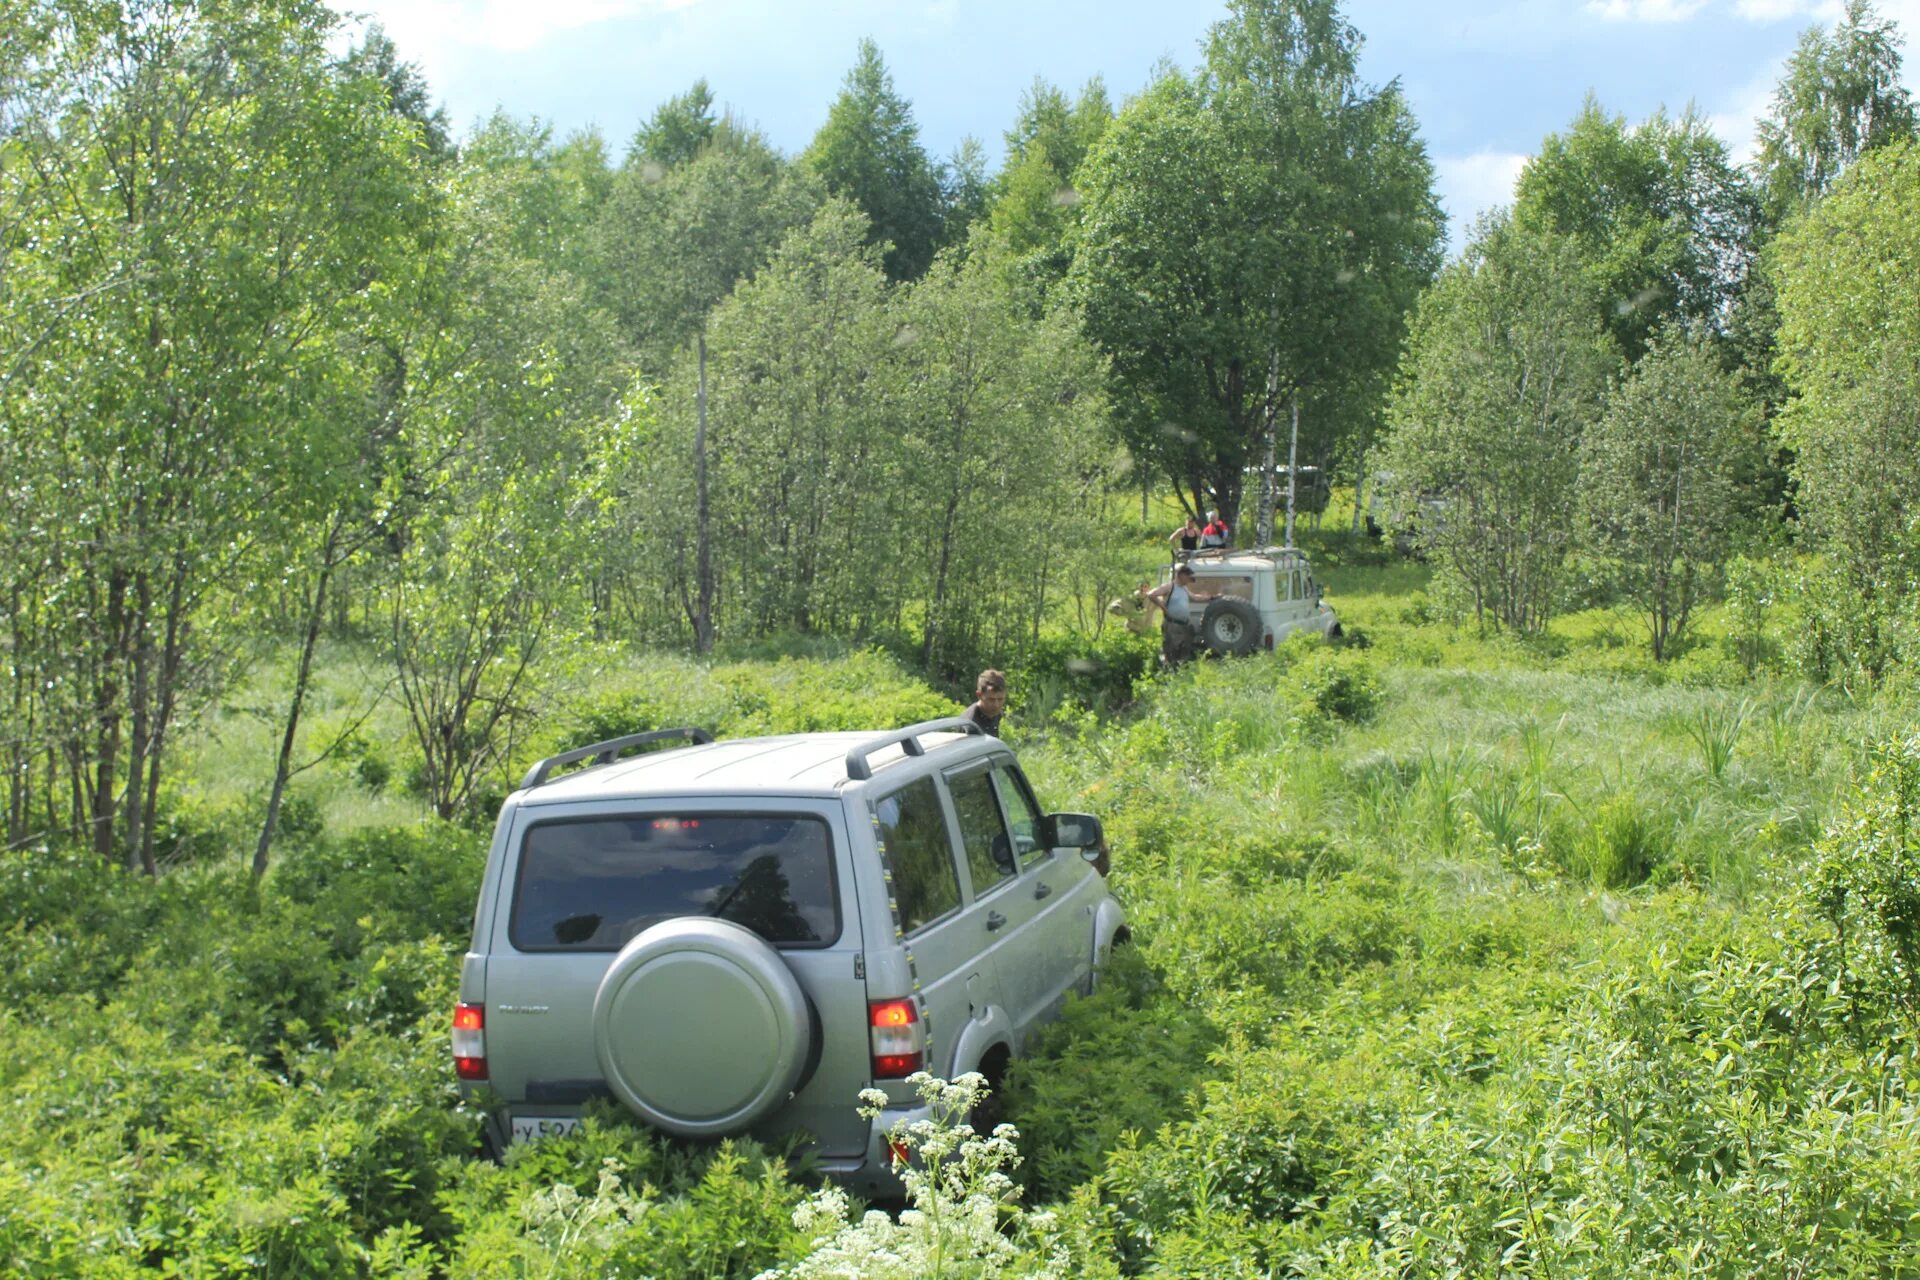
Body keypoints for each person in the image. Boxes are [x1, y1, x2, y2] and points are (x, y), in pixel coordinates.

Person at [1141, 563, 1216, 669]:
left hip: (1184, 625)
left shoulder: (1184, 589)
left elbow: (1194, 597)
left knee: (1184, 653)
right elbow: (1151, 594)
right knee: (1171, 652)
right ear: (1181, 575)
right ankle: (1169, 674)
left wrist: (1212, 598)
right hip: (1172, 625)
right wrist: (1163, 607)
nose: (1189, 579)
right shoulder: (1170, 587)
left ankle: (1180, 673)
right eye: (1188, 576)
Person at [962, 669, 1007, 737]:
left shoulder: (994, 713)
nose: (996, 705)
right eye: (991, 699)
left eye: (1000, 699)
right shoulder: (971, 724)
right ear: (979, 695)